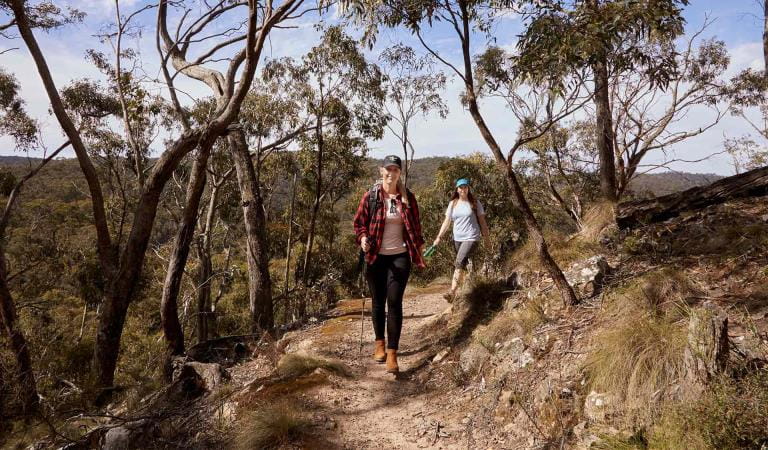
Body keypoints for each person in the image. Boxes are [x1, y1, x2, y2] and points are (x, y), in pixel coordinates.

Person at [353, 155, 425, 374]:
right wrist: (363, 238)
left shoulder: (408, 198)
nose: (391, 173)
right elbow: (359, 224)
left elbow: (416, 227)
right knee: (378, 301)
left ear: (399, 173)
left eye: (395, 169)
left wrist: (419, 249)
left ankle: (393, 353)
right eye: (388, 169)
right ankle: (379, 344)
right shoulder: (371, 197)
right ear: (381, 171)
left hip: (400, 256)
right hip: (375, 256)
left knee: (394, 302)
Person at [432, 178, 489, 301]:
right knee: (462, 264)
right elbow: (447, 222)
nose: (463, 189)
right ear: (457, 189)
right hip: (457, 238)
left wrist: (487, 239)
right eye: (460, 187)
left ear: (468, 188)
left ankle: (452, 292)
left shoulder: (475, 203)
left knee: (459, 262)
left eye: (465, 187)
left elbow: (482, 222)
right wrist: (438, 237)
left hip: (471, 237)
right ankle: (463, 290)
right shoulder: (453, 204)